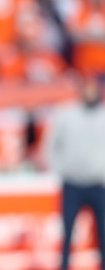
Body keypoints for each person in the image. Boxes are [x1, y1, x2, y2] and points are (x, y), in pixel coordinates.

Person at [42, 72, 105, 270]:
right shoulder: (66, 115)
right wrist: (59, 168)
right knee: (67, 231)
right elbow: (50, 145)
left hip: (98, 183)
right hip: (72, 182)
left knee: (103, 232)